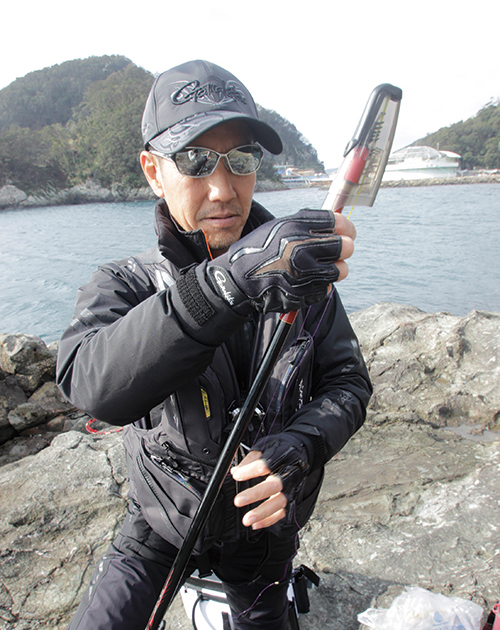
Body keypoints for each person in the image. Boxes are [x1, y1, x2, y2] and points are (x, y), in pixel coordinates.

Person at [57, 59, 372, 630]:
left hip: (263, 532)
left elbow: (349, 383)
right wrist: (230, 282)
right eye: (194, 161)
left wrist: (300, 450)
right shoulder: (126, 284)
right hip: (160, 518)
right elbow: (90, 382)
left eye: (242, 159)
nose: (223, 189)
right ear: (154, 172)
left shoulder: (301, 279)